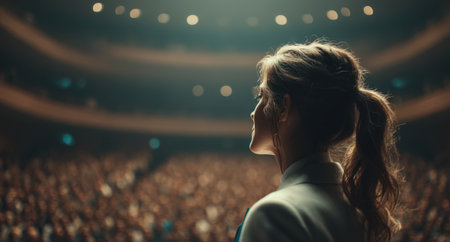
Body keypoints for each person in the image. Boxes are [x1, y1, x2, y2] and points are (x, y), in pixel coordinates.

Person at [236, 41, 403, 242]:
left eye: (262, 96)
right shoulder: (361, 210)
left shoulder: (275, 215)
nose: (253, 113)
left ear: (283, 109)